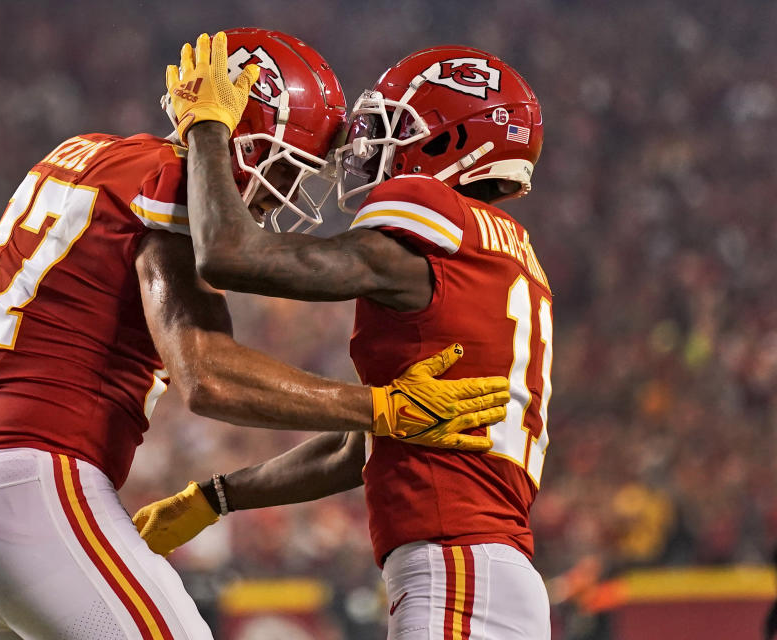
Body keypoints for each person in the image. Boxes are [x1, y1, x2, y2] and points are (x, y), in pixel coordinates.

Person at [0, 28, 511, 640]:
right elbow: (207, 377)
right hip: (35, 494)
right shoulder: (169, 181)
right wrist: (381, 407)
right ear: (245, 132)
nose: (285, 196)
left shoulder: (79, 155)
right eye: (290, 167)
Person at [136, 35, 552, 639]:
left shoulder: (439, 215)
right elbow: (361, 445)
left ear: (452, 139)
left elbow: (227, 255)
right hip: (478, 570)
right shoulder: (505, 258)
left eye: (395, 127)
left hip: (457, 569)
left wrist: (206, 127)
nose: (371, 146)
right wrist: (216, 496)